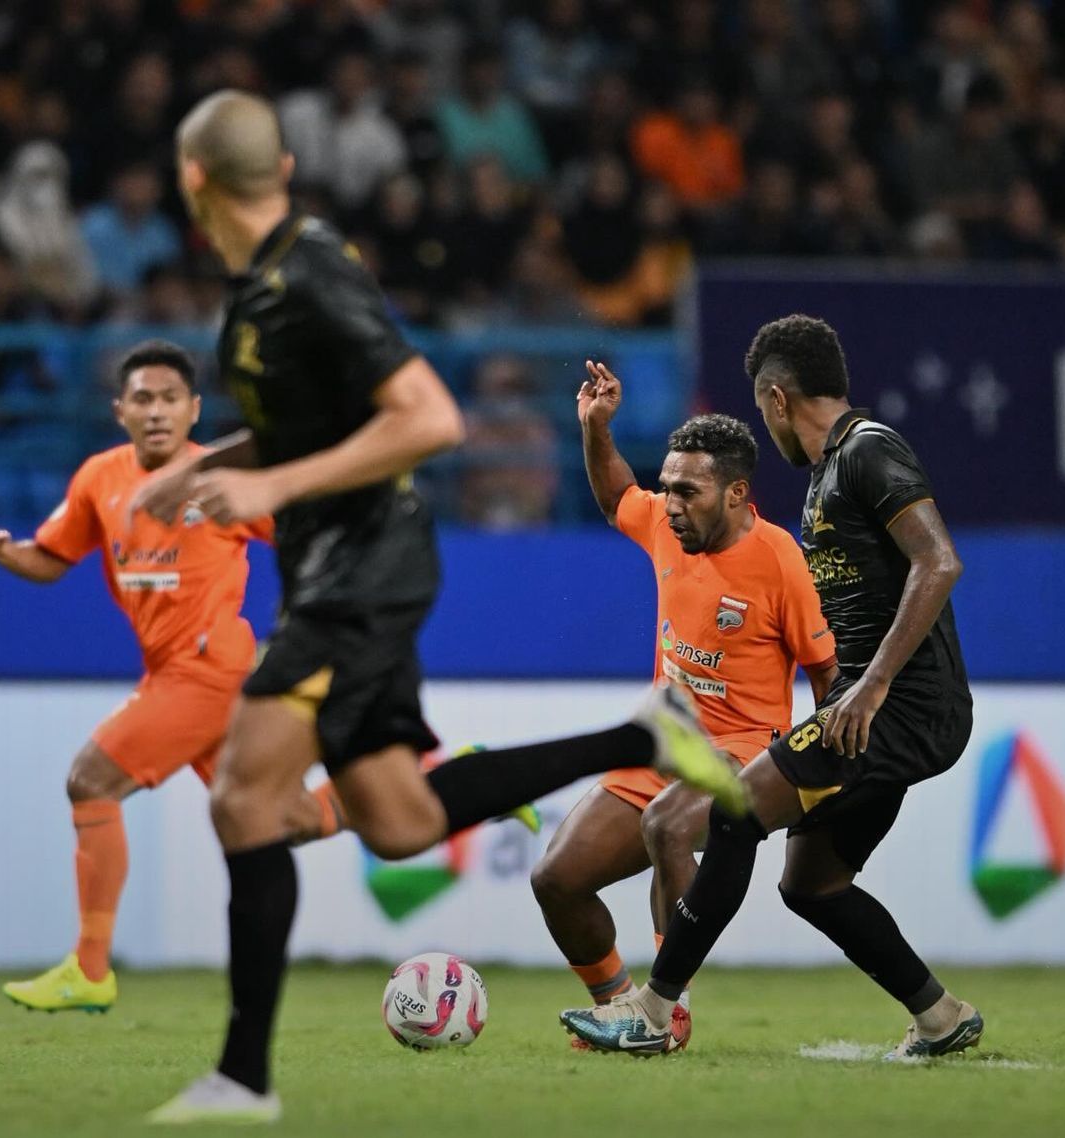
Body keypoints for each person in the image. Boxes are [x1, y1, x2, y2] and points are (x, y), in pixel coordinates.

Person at [136, 90, 744, 1124]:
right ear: (280, 167)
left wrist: (268, 489)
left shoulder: (306, 278)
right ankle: (634, 732)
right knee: (399, 821)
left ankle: (242, 1078)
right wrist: (205, 467)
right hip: (345, 560)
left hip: (360, 565)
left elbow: (430, 417)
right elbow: (313, 427)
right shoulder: (262, 296)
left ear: (193, 183)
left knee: (245, 800)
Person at [561, 314, 981, 1062]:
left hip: (898, 705)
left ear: (779, 399)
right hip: (874, 707)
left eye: (763, 411)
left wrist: (870, 686)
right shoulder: (828, 475)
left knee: (730, 818)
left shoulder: (866, 451)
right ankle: (941, 1015)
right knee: (811, 884)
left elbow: (939, 562)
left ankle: (653, 1014)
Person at [0, 340, 342, 1014]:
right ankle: (448, 774)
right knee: (290, 818)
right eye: (143, 398)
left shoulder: (216, 480)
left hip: (207, 667)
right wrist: (3, 552)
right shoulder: (99, 479)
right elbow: (52, 557)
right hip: (175, 672)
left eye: (170, 398)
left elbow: (305, 532)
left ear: (195, 409)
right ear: (120, 410)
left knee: (90, 780)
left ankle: (90, 968)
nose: (157, 410)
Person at [533, 361, 838, 1052]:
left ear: (736, 493)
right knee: (557, 879)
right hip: (664, 746)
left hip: (746, 755)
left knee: (669, 826)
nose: (669, 503)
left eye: (687, 491)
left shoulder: (781, 560)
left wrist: (820, 778)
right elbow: (617, 498)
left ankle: (666, 1011)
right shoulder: (668, 527)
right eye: (666, 487)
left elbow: (828, 672)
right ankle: (618, 1005)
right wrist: (595, 430)